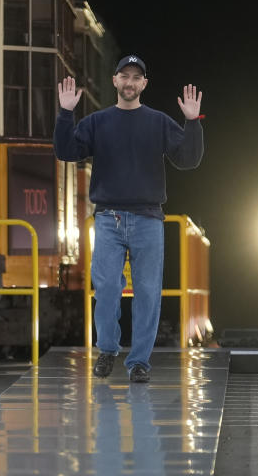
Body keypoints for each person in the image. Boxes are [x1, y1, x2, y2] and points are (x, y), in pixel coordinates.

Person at [54, 55, 203, 383]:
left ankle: (139, 363)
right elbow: (66, 151)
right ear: (115, 81)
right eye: (125, 76)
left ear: (144, 84)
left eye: (137, 77)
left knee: (148, 292)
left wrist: (192, 122)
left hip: (148, 219)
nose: (130, 82)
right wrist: (65, 113)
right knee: (106, 288)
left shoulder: (159, 122)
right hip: (108, 218)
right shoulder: (97, 122)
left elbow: (188, 160)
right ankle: (107, 349)